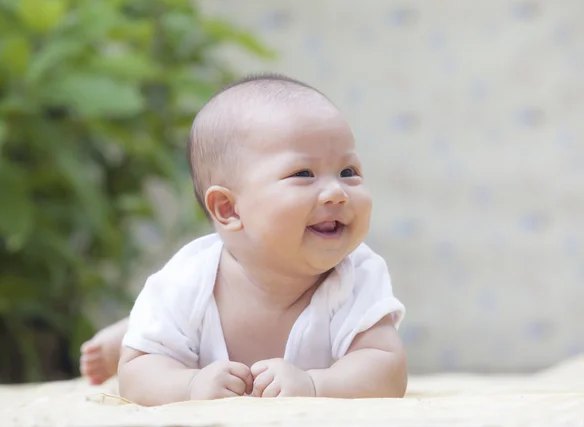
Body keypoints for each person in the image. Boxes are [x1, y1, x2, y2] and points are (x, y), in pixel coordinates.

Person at [83, 74, 407, 405]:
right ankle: (131, 333)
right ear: (229, 209)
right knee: (155, 339)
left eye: (348, 172)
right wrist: (190, 385)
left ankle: (134, 330)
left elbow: (386, 368)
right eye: (303, 174)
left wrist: (314, 384)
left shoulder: (358, 275)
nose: (337, 192)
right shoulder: (186, 281)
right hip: (184, 327)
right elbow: (137, 375)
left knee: (169, 328)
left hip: (278, 362)